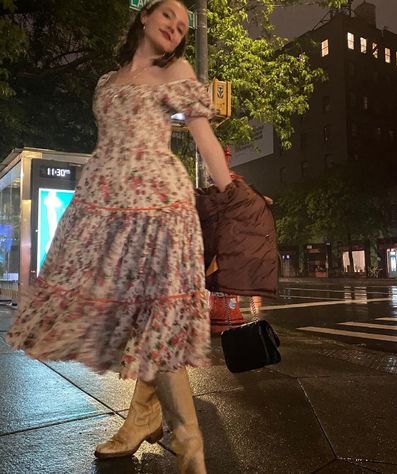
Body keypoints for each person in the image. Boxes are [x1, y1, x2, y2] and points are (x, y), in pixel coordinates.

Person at [6, 0, 232, 472]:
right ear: (144, 17)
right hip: (104, 203)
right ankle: (143, 418)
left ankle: (191, 452)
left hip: (159, 203)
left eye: (185, 24)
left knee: (160, 317)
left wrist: (235, 194)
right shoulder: (106, 82)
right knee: (127, 316)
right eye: (168, 14)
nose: (176, 25)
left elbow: (204, 137)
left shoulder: (177, 71)